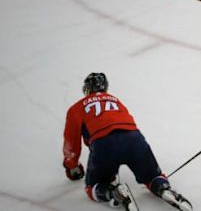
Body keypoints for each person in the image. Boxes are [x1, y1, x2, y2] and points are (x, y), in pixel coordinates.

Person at [62, 73, 193, 211]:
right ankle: (164, 189)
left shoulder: (76, 108)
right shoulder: (115, 101)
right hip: (134, 139)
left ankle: (114, 193)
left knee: (93, 187)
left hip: (104, 144)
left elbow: (71, 143)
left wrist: (72, 167)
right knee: (153, 177)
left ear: (87, 89)